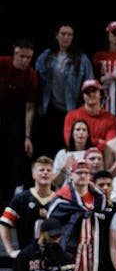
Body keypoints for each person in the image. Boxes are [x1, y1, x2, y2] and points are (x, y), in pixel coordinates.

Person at [34, 23, 94, 160]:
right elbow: (37, 82)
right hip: (50, 108)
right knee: (49, 145)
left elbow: (89, 84)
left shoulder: (81, 59)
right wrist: (38, 104)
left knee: (68, 145)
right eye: (63, 34)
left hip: (72, 109)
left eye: (69, 35)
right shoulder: (46, 56)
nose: (66, 37)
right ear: (57, 36)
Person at [0, 38, 39, 204]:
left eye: (29, 58)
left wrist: (28, 137)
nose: (25, 61)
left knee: (17, 155)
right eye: (22, 56)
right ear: (15, 52)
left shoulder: (31, 76)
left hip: (15, 118)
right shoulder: (2, 63)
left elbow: (30, 108)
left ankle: (16, 193)